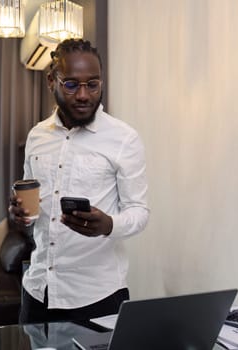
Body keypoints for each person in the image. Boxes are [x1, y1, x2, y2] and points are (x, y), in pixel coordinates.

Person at [9, 38, 149, 324]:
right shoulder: (37, 136)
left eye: (93, 84)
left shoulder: (124, 139)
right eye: (71, 84)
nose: (83, 94)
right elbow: (33, 206)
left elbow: (139, 211)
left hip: (98, 297)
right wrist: (20, 216)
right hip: (37, 292)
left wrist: (109, 224)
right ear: (52, 81)